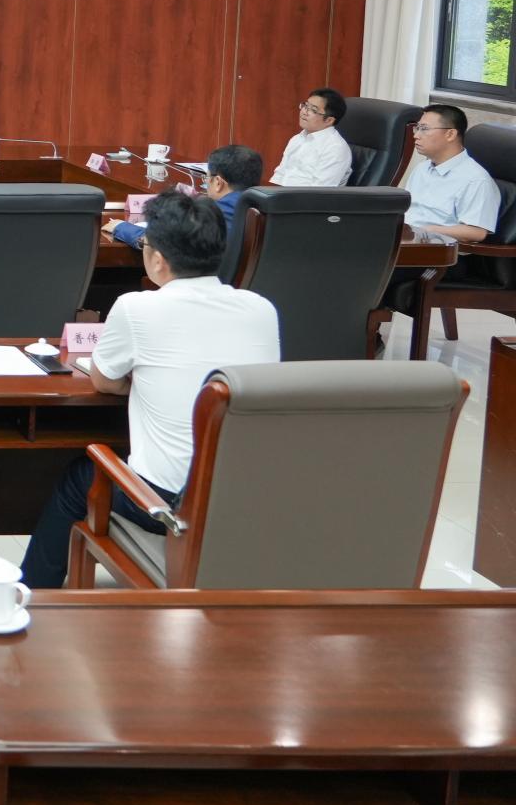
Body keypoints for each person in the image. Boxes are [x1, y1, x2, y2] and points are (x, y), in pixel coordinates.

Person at [20, 191, 281, 587]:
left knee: (79, 476)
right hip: (244, 498)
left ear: (157, 259)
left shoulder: (136, 307)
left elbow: (103, 380)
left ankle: (32, 593)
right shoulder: (262, 309)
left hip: (166, 504)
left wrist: (142, 381)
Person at [105, 144, 261, 250]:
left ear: (218, 183)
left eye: (206, 178)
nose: (206, 183)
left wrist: (120, 227)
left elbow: (166, 243)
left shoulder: (219, 213)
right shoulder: (262, 206)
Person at [401, 104, 498, 243]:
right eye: (417, 128)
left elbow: (476, 232)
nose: (416, 136)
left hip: (435, 248)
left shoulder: (476, 179)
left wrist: (426, 231)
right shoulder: (421, 168)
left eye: (424, 129)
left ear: (450, 134)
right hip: (405, 240)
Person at [272, 88, 353, 187]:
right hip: (281, 193)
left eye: (314, 110)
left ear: (329, 120)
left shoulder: (335, 148)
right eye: (306, 106)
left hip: (305, 196)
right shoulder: (297, 138)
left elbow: (320, 191)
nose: (304, 112)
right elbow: (280, 174)